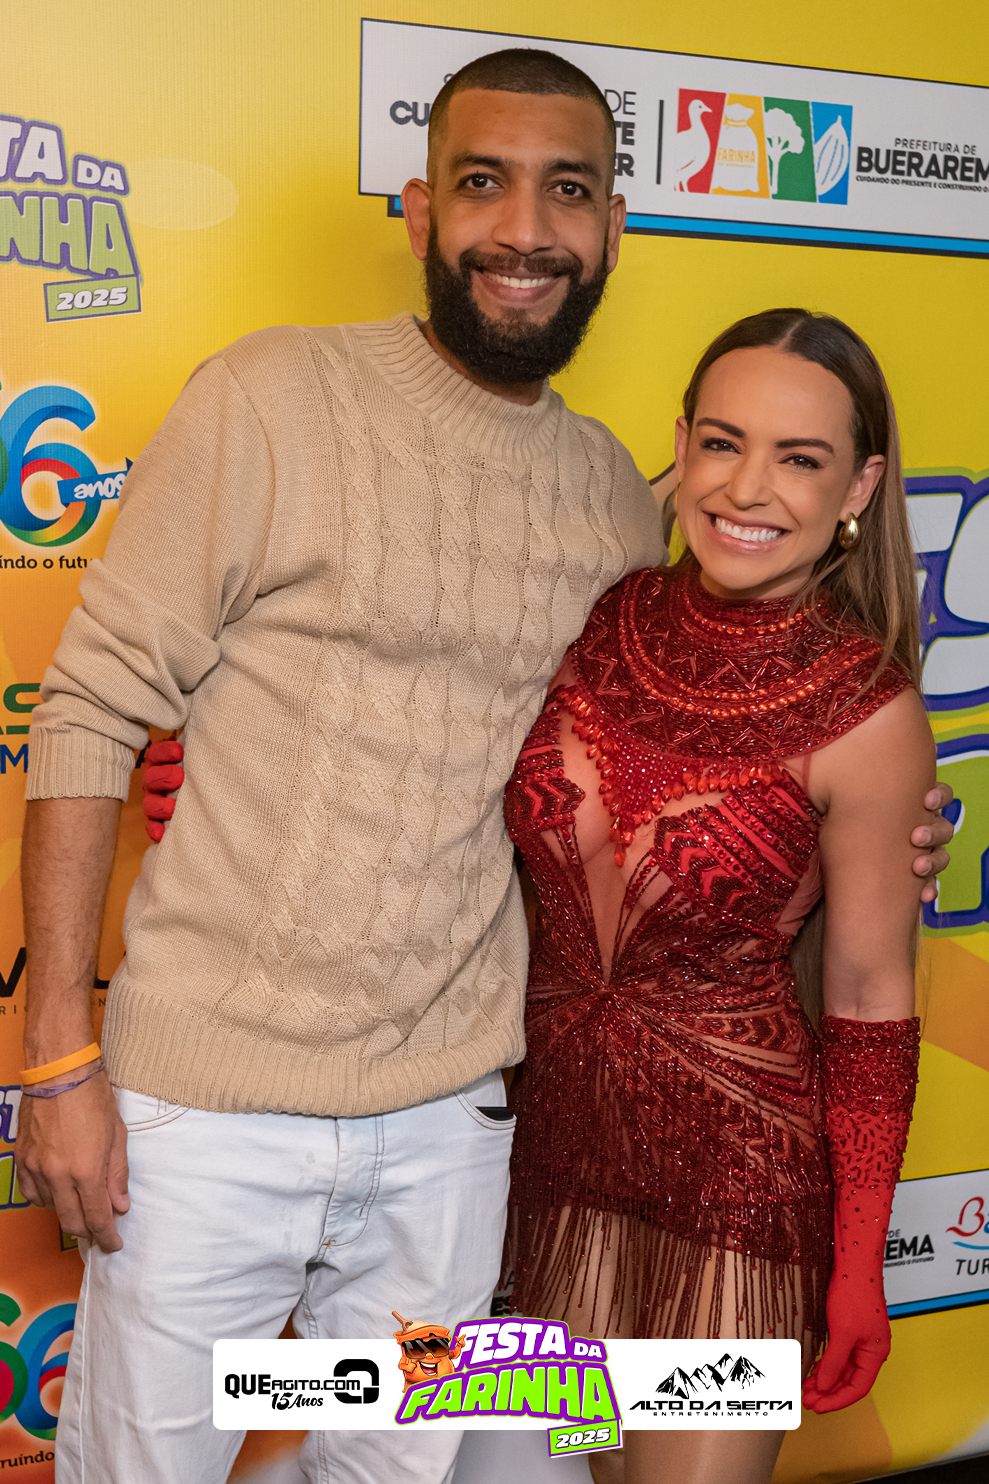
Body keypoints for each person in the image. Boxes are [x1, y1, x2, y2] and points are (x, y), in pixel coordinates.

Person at [17, 48, 950, 1484]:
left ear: (612, 230)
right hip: (220, 1120)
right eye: (482, 183)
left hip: (472, 1143)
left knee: (394, 1468)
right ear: (419, 210)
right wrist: (58, 1054)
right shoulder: (272, 398)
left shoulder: (609, 498)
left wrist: (885, 830)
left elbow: (734, 794)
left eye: (565, 191)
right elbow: (98, 704)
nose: (524, 229)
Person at [502, 307, 934, 1484]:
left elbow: (868, 996)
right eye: (721, 442)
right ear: (680, 443)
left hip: (736, 1191)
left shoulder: (868, 709)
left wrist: (858, 1262)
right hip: (547, 1164)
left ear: (858, 486)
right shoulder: (594, 617)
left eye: (798, 458)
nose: (747, 488)